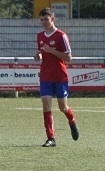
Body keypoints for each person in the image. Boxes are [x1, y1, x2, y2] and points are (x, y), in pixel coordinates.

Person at [34, 7, 79, 147]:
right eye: (41, 20)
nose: (43, 22)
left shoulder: (61, 36)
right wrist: (38, 55)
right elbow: (41, 52)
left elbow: (68, 57)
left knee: (62, 107)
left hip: (60, 76)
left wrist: (51, 51)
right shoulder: (40, 36)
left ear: (52, 19)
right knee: (46, 105)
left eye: (46, 19)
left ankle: (72, 120)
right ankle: (50, 138)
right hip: (45, 76)